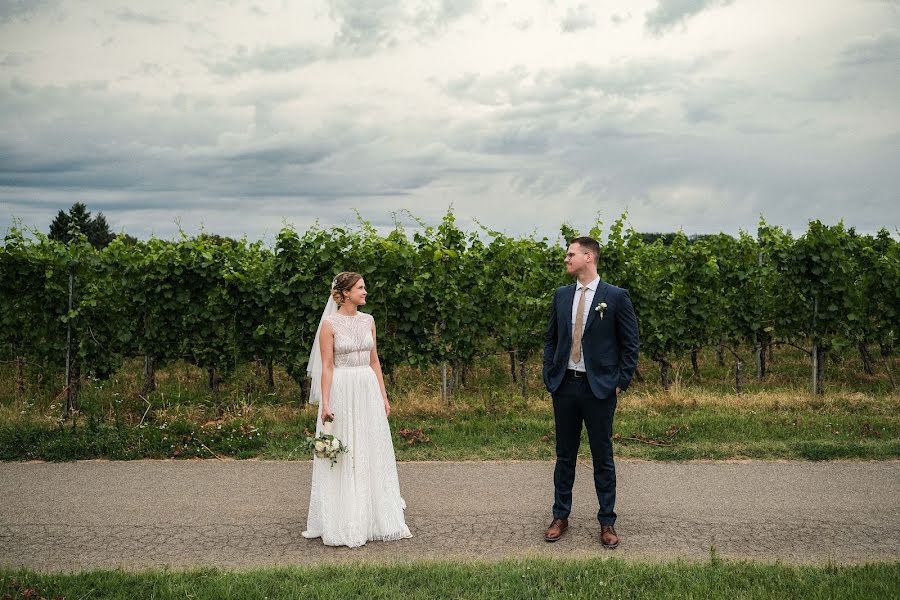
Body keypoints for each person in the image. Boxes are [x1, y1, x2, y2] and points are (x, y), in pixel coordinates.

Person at [542, 236, 640, 548]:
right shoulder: (561, 295)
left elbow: (631, 343)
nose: (566, 259)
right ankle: (560, 516)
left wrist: (620, 381)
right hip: (565, 385)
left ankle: (607, 522)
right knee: (564, 455)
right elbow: (550, 338)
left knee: (603, 456)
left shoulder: (616, 296)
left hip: (599, 389)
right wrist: (549, 373)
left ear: (588, 256)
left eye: (571, 254)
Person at [302, 272, 412, 547]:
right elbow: (327, 366)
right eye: (361, 288)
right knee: (347, 446)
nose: (365, 292)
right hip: (342, 388)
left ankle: (375, 515)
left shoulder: (369, 321)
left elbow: (375, 362)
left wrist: (384, 397)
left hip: (366, 388)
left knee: (370, 446)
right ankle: (346, 516)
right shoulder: (329, 325)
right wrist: (325, 404)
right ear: (346, 293)